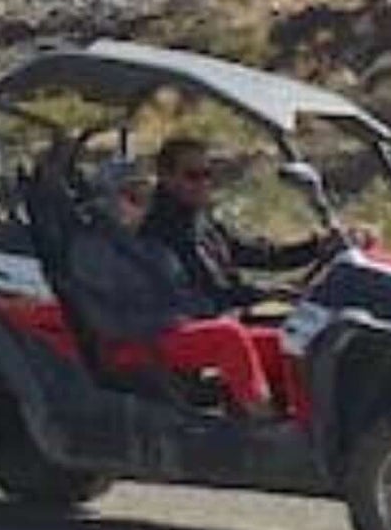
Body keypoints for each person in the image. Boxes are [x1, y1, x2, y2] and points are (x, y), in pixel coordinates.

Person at [71, 158, 278, 418]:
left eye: (147, 196)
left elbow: (180, 291)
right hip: (135, 343)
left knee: (274, 342)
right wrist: (170, 320)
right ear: (107, 201)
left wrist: (208, 309)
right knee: (228, 337)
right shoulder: (92, 250)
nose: (144, 204)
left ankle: (301, 423)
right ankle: (265, 425)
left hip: (170, 330)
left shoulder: (148, 244)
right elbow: (105, 320)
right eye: (134, 196)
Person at [140, 136, 342, 313]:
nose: (204, 183)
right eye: (193, 175)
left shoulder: (199, 221)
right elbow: (206, 293)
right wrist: (265, 292)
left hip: (223, 320)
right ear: (166, 177)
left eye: (207, 174)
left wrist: (314, 247)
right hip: (198, 332)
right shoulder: (163, 230)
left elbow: (251, 253)